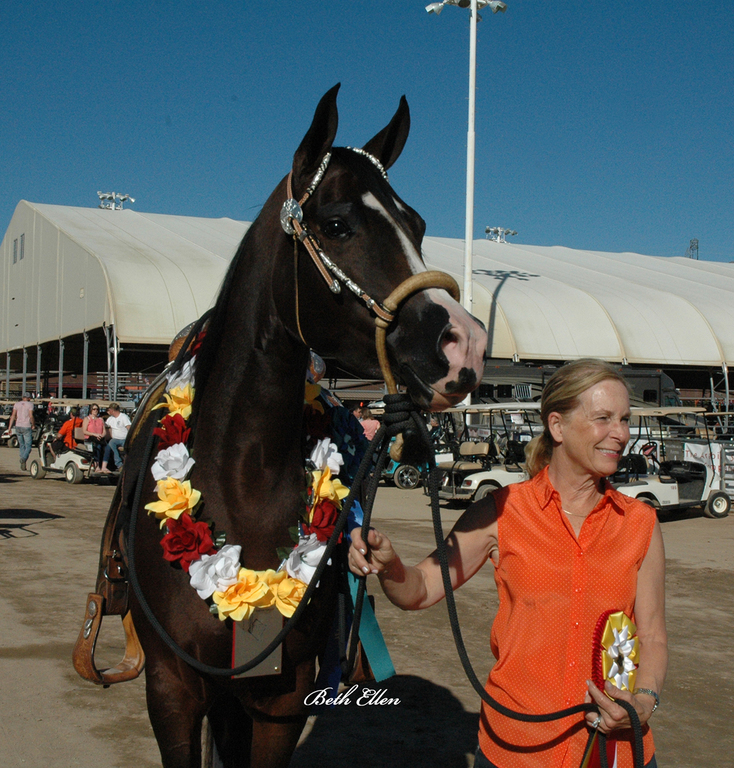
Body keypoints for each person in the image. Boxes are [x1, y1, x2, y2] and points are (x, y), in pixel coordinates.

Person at [349, 359, 667, 768]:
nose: (621, 433)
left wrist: (644, 701)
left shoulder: (640, 522)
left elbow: (652, 635)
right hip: (517, 748)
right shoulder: (500, 512)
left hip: (615, 751)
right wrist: (390, 565)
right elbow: (420, 589)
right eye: (603, 418)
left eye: (625, 419)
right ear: (557, 426)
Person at [100, 403, 131, 472]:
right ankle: (118, 464)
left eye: (109, 410)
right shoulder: (110, 419)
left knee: (128, 448)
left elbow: (129, 428)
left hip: (125, 439)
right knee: (110, 444)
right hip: (115, 439)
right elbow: (105, 427)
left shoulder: (124, 417)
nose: (108, 411)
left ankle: (129, 464)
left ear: (112, 410)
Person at [8, 392, 35, 471]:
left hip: (18, 425)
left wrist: (9, 427)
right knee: (28, 446)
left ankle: (23, 461)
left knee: (21, 445)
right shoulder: (30, 404)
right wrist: (33, 424)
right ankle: (23, 458)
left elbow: (13, 415)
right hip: (26, 426)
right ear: (29, 398)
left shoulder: (17, 404)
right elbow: (31, 416)